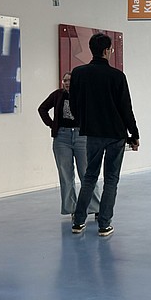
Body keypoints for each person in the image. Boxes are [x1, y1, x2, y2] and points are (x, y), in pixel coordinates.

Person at [69, 33, 140, 237]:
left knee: (89, 177)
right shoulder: (117, 76)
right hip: (115, 134)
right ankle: (104, 224)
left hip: (92, 133)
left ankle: (78, 221)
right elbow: (126, 108)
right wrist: (134, 133)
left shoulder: (79, 73)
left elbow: (74, 104)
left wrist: (83, 122)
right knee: (111, 180)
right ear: (107, 50)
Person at [37, 72, 100, 217]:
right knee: (65, 175)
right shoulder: (57, 95)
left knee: (87, 173)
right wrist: (52, 125)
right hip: (62, 138)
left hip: (82, 137)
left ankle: (95, 207)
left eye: (70, 80)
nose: (67, 83)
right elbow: (42, 109)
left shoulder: (84, 94)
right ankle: (72, 209)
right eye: (65, 80)